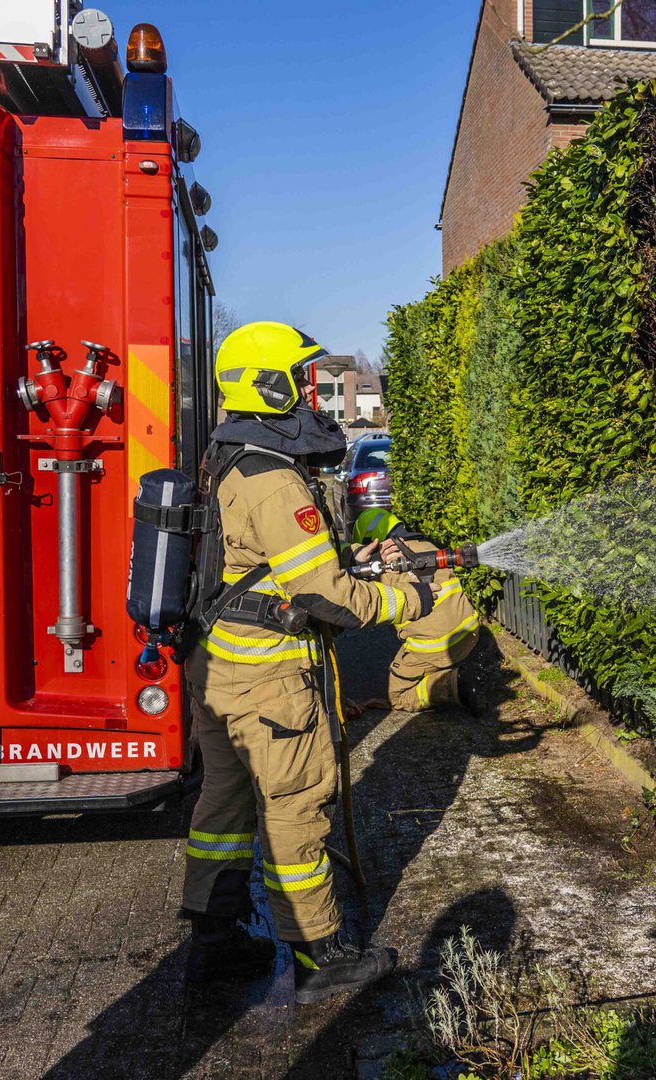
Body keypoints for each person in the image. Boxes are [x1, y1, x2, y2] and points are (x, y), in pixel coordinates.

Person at [182, 322, 435, 1004]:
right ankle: (320, 956)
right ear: (268, 385)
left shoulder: (228, 454)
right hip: (269, 679)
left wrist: (349, 560)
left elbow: (269, 564)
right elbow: (325, 595)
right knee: (295, 806)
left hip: (220, 667)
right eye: (298, 379)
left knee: (225, 806)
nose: (309, 392)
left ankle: (213, 942)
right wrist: (405, 598)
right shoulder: (273, 477)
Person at [350, 508, 481, 713]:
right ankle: (448, 669)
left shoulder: (383, 567)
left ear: (373, 542)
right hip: (470, 632)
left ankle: (455, 683)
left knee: (398, 696)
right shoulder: (428, 546)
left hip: (434, 647)